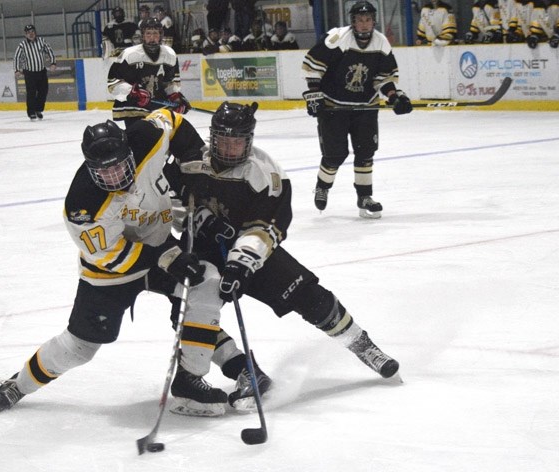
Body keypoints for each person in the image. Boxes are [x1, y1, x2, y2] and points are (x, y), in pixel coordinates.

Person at [0, 109, 269, 416]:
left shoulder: (145, 138)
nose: (114, 176)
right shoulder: (82, 205)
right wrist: (168, 256)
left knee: (206, 285)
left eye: (119, 166)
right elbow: (114, 256)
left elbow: (171, 120)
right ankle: (19, 383)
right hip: (109, 274)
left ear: (129, 151)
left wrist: (191, 163)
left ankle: (195, 380)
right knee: (81, 348)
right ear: (91, 168)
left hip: (159, 245)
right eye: (104, 171)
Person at [166, 102, 401, 390]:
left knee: (308, 295)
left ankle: (364, 346)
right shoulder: (189, 162)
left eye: (236, 143)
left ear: (249, 142)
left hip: (252, 254)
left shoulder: (265, 174)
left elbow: (267, 227)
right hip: (201, 249)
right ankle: (244, 370)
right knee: (186, 307)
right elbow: (168, 197)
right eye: (223, 142)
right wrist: (197, 218)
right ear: (212, 138)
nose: (229, 150)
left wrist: (241, 263)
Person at [302, 1, 412, 218]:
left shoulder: (381, 43)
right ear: (353, 21)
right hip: (334, 105)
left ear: (373, 21)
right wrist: (314, 95)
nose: (364, 24)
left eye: (368, 19)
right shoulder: (337, 39)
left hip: (366, 106)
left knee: (365, 153)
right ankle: (323, 186)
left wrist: (393, 96)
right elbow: (313, 67)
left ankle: (364, 197)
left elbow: (384, 78)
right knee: (335, 155)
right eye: (360, 20)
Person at [107, 18, 190, 128]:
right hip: (135, 109)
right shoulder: (129, 55)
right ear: (142, 35)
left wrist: (175, 97)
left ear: (160, 35)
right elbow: (113, 83)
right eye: (148, 33)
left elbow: (170, 83)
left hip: (159, 107)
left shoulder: (170, 55)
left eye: (155, 33)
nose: (152, 37)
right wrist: (132, 93)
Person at [13, 24, 56, 121]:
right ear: (25, 34)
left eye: (32, 32)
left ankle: (38, 109)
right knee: (31, 93)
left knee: (43, 92)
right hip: (29, 73)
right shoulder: (22, 45)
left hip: (41, 71)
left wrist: (53, 63)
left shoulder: (42, 41)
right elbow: (16, 57)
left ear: (35, 32)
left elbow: (50, 51)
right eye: (28, 33)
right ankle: (31, 112)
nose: (31, 34)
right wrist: (16, 69)